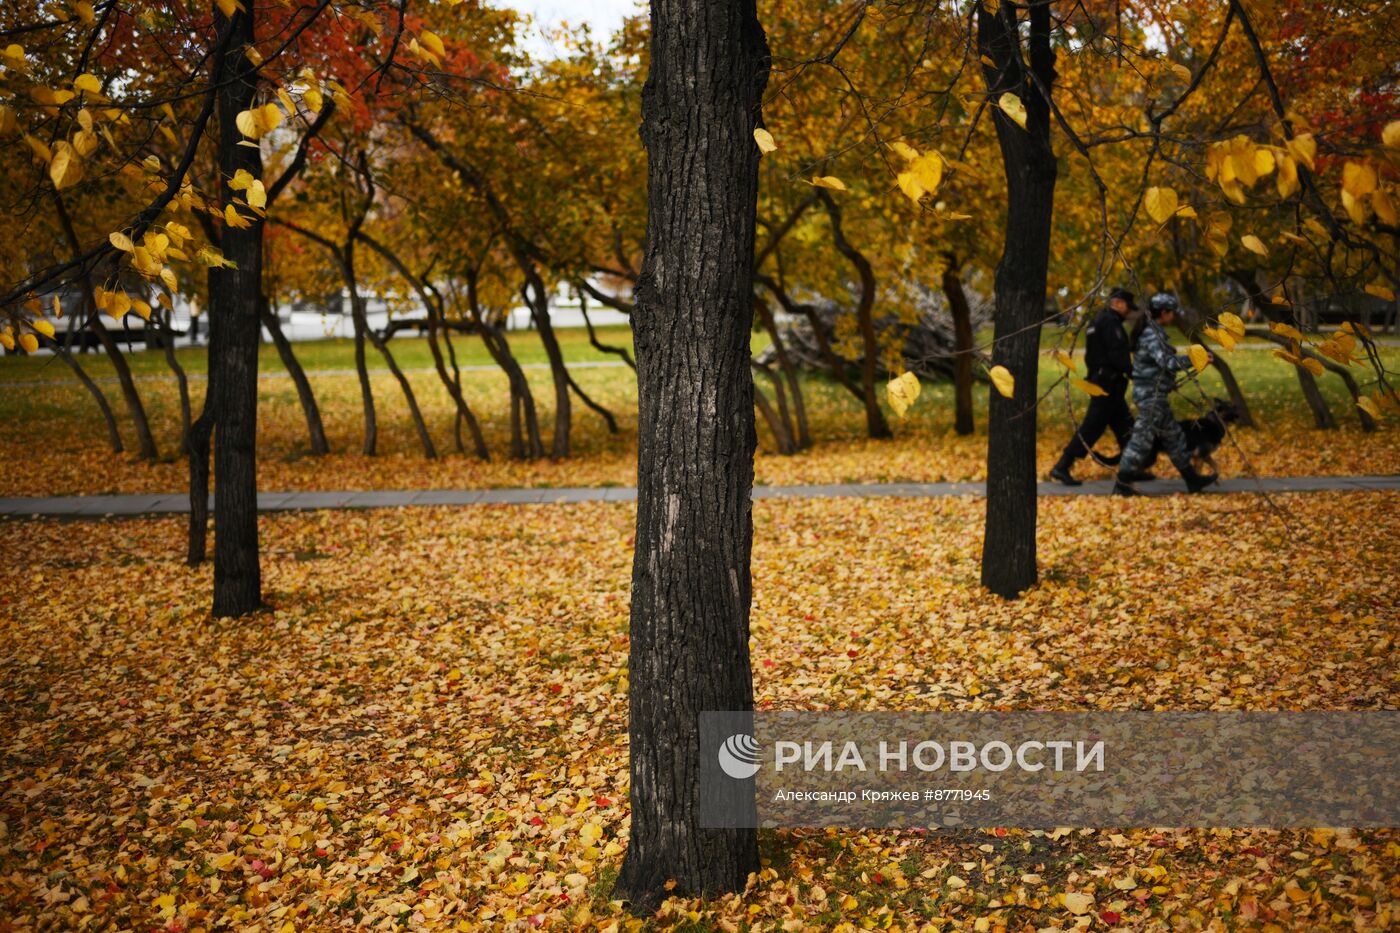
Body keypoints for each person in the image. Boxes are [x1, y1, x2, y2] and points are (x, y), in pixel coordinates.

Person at [1113, 293, 1217, 496]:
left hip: (1156, 396)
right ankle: (1122, 484)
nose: (1174, 317)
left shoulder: (1154, 331)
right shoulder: (1153, 335)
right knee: (1140, 442)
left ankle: (1192, 479)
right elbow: (1167, 362)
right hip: (1151, 398)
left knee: (1174, 438)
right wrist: (1195, 359)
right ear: (1164, 312)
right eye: (1172, 313)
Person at [1049, 287, 1137, 486]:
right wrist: (1133, 373)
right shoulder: (1110, 323)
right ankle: (1062, 466)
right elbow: (1117, 354)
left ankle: (1131, 467)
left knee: (1125, 426)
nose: (1128, 311)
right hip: (1107, 384)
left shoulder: (1099, 321)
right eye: (1128, 307)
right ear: (1118, 303)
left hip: (1104, 382)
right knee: (1092, 426)